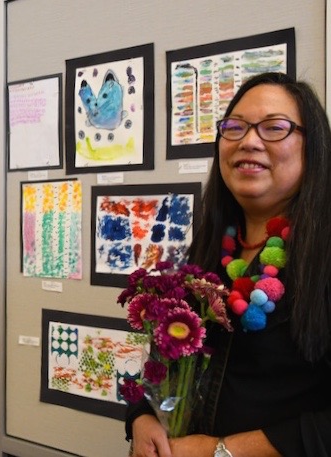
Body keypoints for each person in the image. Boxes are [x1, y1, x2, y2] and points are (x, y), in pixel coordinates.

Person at [126, 72, 331, 456]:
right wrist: (142, 415)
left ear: (313, 147)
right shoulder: (211, 249)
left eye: (274, 128)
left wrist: (222, 450)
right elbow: (166, 359)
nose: (249, 141)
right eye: (234, 128)